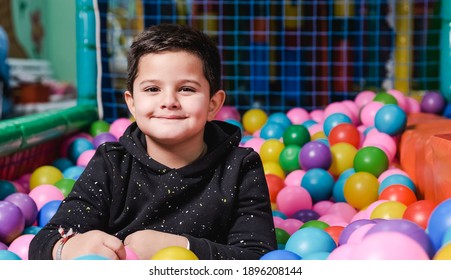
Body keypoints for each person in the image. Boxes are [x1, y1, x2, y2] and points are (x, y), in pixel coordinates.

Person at [29, 23, 277, 260]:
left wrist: (182, 247)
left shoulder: (240, 167)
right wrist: (69, 247)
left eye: (187, 89)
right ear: (132, 103)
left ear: (213, 104)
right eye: (152, 89)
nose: (169, 101)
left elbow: (260, 258)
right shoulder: (111, 163)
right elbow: (44, 241)